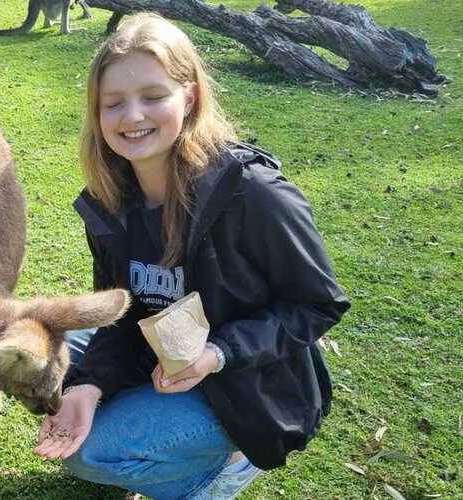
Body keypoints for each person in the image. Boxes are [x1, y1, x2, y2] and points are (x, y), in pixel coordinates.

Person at [33, 12, 350, 500]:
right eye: (113, 103)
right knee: (38, 357)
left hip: (250, 379)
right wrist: (87, 387)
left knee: (89, 453)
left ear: (190, 96)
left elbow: (317, 304)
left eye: (153, 97)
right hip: (164, 352)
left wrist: (217, 355)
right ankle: (139, 412)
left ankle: (228, 466)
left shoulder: (254, 194)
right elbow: (124, 313)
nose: (133, 116)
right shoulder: (109, 201)